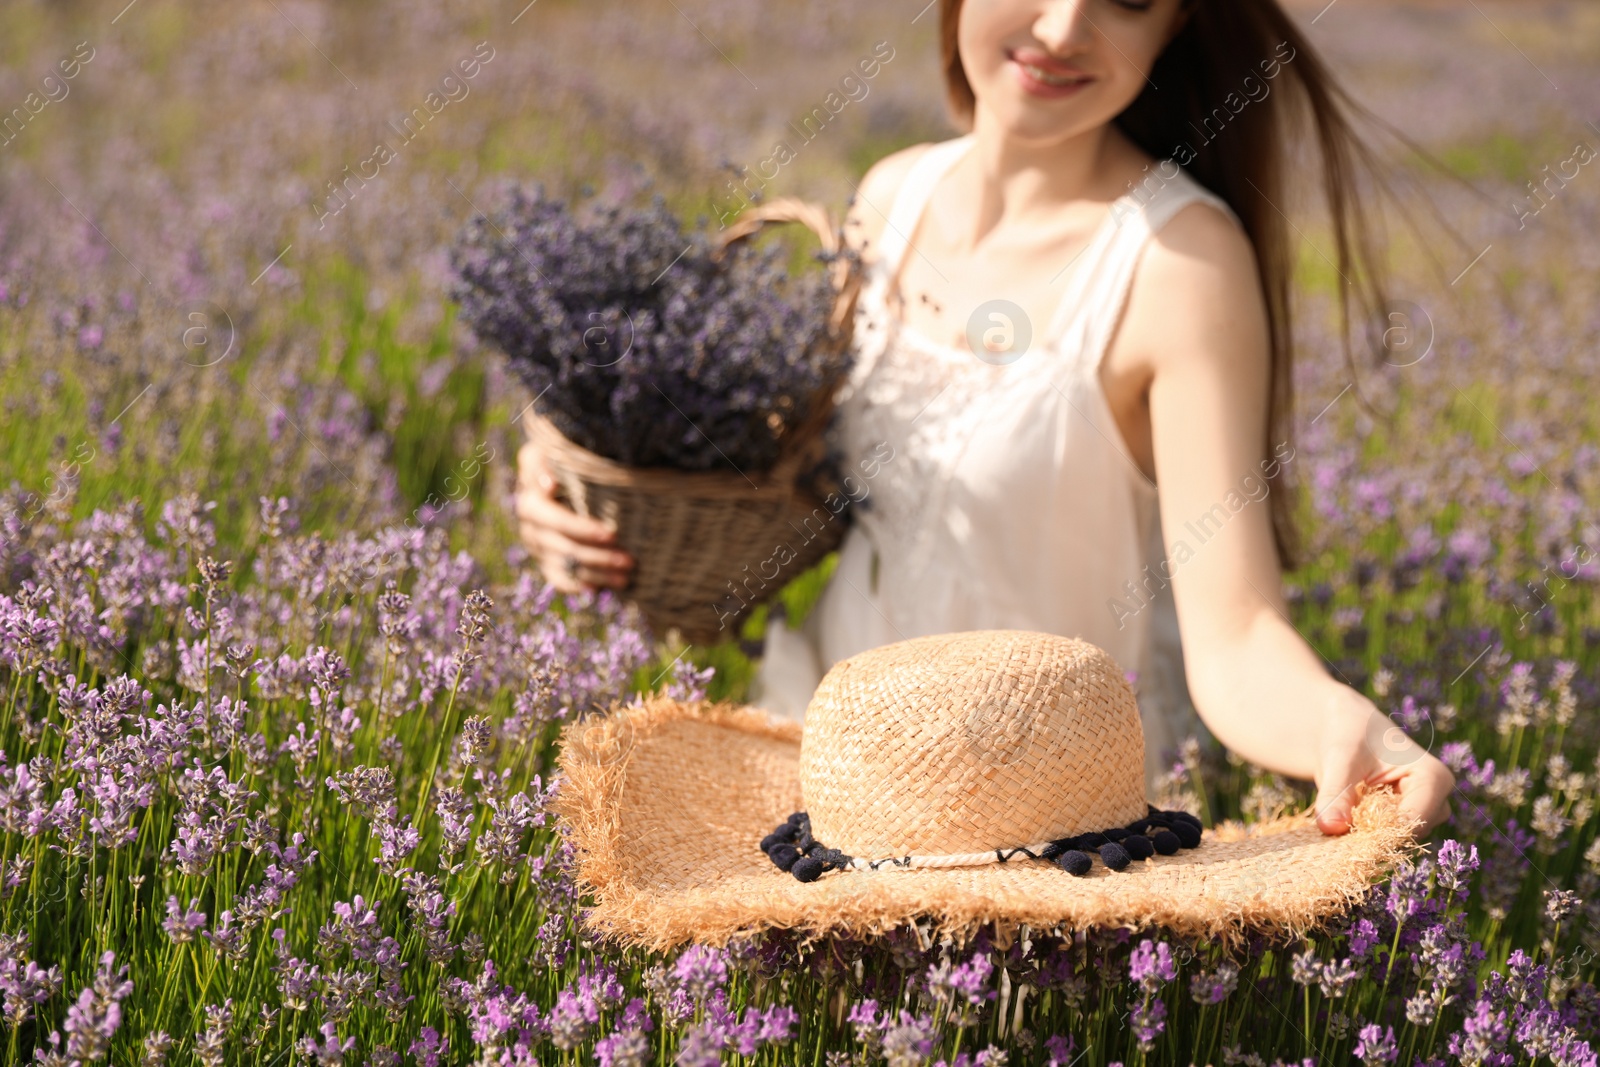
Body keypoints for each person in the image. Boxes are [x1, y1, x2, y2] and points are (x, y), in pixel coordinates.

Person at [514, 0, 1455, 837]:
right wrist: (588, 477)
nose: (1061, 26)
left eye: (1125, 1)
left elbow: (1237, 631)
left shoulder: (1179, 266)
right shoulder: (891, 200)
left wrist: (1339, 719)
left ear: (1174, 23)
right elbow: (775, 477)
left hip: (1050, 812)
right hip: (835, 771)